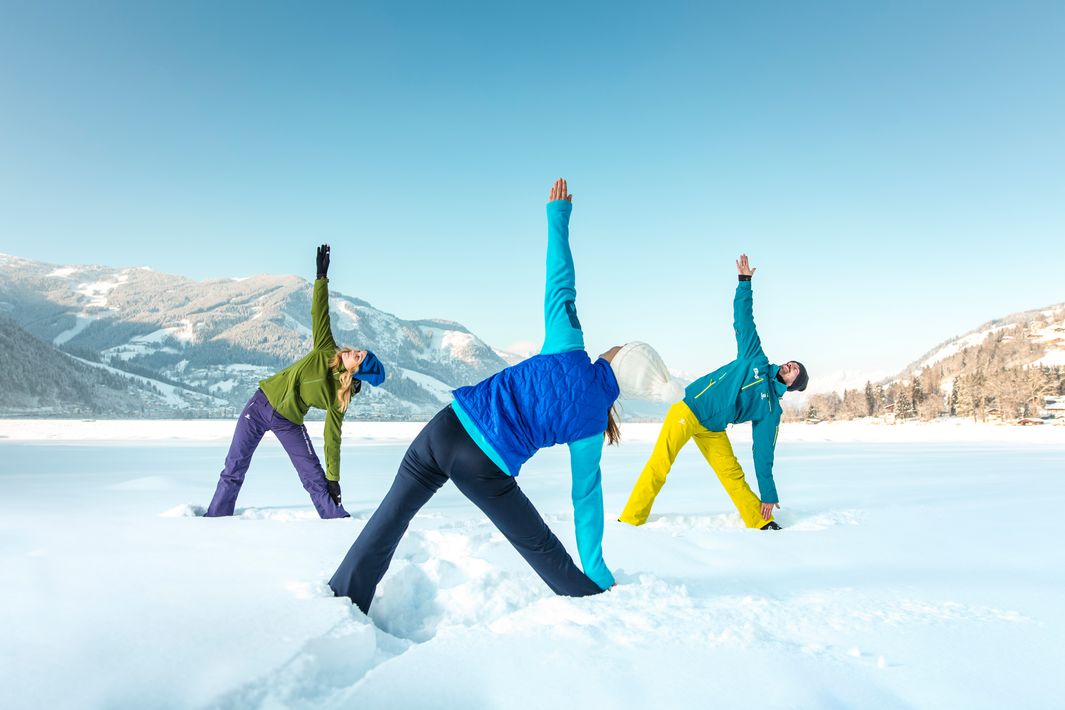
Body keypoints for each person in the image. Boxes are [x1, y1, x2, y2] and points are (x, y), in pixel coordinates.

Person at [329, 178, 673, 613]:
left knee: (390, 517)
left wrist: (558, 216)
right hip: (483, 467)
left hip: (446, 425)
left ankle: (343, 596)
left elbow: (560, 281)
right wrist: (597, 565)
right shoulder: (591, 426)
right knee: (538, 543)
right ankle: (592, 595)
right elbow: (587, 500)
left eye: (623, 348)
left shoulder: (568, 345)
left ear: (618, 358)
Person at [618, 254, 808, 530]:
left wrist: (768, 493)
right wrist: (744, 283)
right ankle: (631, 519)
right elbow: (744, 321)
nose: (791, 366)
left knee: (732, 474)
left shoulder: (771, 410)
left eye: (796, 371)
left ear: (792, 385)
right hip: (690, 408)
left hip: (713, 428)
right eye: (792, 363)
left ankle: (760, 522)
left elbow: (763, 450)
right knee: (660, 465)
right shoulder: (756, 359)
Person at [205, 244, 386, 519]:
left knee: (313, 476)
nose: (353, 351)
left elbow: (332, 437)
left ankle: (337, 520)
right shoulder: (326, 350)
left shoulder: (338, 397)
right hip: (260, 403)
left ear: (356, 371)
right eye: (358, 351)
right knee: (234, 467)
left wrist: (334, 477)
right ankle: (214, 519)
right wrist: (321, 278)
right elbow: (320, 313)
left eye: (358, 356)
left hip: (288, 421)